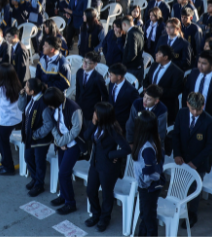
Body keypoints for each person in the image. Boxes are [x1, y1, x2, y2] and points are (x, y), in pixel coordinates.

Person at [170, 92, 212, 228]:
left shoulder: (210, 122)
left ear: (203, 106)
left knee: (195, 188)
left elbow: (209, 146)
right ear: (187, 104)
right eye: (193, 109)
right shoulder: (181, 114)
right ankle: (179, 208)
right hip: (182, 159)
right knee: (179, 184)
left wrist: (195, 162)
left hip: (199, 162)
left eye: (199, 109)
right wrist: (177, 154)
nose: (195, 112)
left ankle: (192, 214)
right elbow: (176, 135)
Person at [82, 101, 131, 232]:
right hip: (95, 164)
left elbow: (127, 149)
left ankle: (105, 218)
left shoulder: (113, 130)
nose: (93, 114)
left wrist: (112, 154)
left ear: (102, 115)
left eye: (95, 113)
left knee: (106, 194)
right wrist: (93, 123)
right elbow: (86, 136)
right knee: (90, 191)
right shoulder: (96, 125)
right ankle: (96, 214)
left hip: (108, 168)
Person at [45, 87, 82, 215]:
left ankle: (70, 203)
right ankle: (64, 195)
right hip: (61, 142)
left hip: (73, 144)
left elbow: (76, 130)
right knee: (62, 169)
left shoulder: (73, 108)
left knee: (64, 173)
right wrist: (59, 141)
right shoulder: (53, 108)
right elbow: (53, 125)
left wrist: (63, 141)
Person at [132, 110, 165, 237]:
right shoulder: (144, 142)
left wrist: (144, 183)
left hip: (148, 188)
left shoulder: (147, 148)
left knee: (149, 217)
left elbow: (149, 171)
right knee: (144, 214)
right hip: (144, 187)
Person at [23, 78, 53, 197]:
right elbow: (22, 109)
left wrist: (36, 134)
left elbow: (48, 124)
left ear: (32, 91)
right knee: (28, 157)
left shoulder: (43, 103)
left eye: (26, 87)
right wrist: (21, 97)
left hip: (40, 140)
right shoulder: (32, 99)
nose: (24, 88)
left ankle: (39, 184)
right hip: (30, 138)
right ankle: (35, 178)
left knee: (39, 162)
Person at [144, 44, 184, 124]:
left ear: (165, 57)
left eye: (159, 53)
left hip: (165, 106)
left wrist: (156, 93)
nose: (156, 54)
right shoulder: (154, 65)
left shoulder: (177, 72)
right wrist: (146, 88)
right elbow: (147, 79)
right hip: (149, 104)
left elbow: (175, 91)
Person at [106, 62, 140, 132]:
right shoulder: (112, 84)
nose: (109, 76)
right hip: (110, 120)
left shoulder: (130, 91)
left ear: (119, 77)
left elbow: (137, 107)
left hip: (123, 123)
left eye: (111, 75)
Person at [75, 52, 108, 123]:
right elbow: (78, 89)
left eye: (88, 63)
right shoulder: (79, 72)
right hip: (79, 106)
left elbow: (104, 95)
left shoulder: (98, 78)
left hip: (91, 110)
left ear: (95, 64)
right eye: (84, 61)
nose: (85, 64)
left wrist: (98, 111)